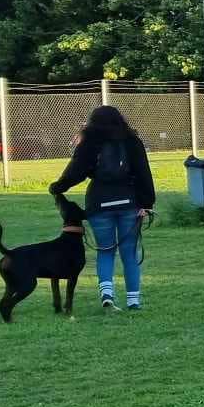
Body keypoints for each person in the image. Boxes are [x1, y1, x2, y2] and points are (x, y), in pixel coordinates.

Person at [49, 104, 155, 312]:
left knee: (105, 251)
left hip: (99, 203)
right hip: (128, 203)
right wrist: (147, 203)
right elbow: (143, 173)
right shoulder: (132, 141)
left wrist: (58, 187)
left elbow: (76, 171)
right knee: (129, 254)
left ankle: (107, 295)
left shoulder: (90, 142)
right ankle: (133, 301)